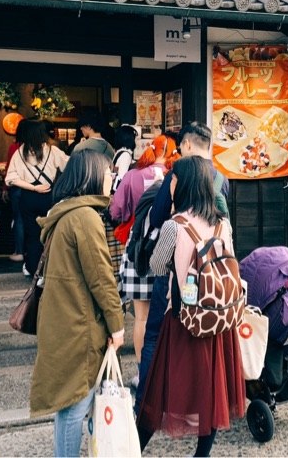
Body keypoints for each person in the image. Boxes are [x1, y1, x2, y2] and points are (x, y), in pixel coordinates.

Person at [137, 155, 244, 457]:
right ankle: (202, 454)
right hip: (218, 319)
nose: (169, 182)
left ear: (181, 184)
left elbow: (158, 266)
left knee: (159, 388)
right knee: (210, 391)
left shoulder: (175, 225)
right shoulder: (223, 224)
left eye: (172, 178)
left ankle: (133, 449)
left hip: (184, 320)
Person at [30, 149, 124, 457]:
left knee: (72, 401)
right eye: (109, 173)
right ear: (93, 177)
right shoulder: (85, 217)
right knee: (77, 402)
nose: (112, 178)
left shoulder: (65, 211)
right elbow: (102, 278)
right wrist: (117, 324)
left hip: (63, 319)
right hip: (79, 323)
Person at [135, 121, 230, 414]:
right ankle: (196, 403)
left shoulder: (177, 172)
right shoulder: (222, 179)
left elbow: (161, 213)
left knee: (156, 335)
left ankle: (147, 401)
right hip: (210, 278)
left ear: (186, 145)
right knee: (201, 341)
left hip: (177, 272)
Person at [109, 134, 178, 389]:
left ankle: (142, 371)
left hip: (138, 252)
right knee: (166, 316)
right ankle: (163, 370)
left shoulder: (132, 176)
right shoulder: (176, 179)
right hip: (167, 249)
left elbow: (116, 211)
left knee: (140, 317)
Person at [6, 119, 69, 277]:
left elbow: (11, 178)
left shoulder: (20, 152)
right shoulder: (52, 151)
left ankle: (34, 269)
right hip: (48, 197)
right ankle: (49, 270)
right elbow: (68, 167)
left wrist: (33, 187)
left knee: (33, 236)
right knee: (49, 236)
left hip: (28, 198)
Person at [2, 118, 27, 264]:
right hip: (33, 187)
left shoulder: (15, 147)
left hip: (17, 187)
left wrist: (5, 187)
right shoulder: (37, 147)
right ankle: (32, 249)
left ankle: (19, 251)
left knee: (18, 219)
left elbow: (9, 169)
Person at [112, 124, 138, 193]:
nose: (137, 141)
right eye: (135, 138)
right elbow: (121, 179)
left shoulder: (119, 152)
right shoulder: (125, 155)